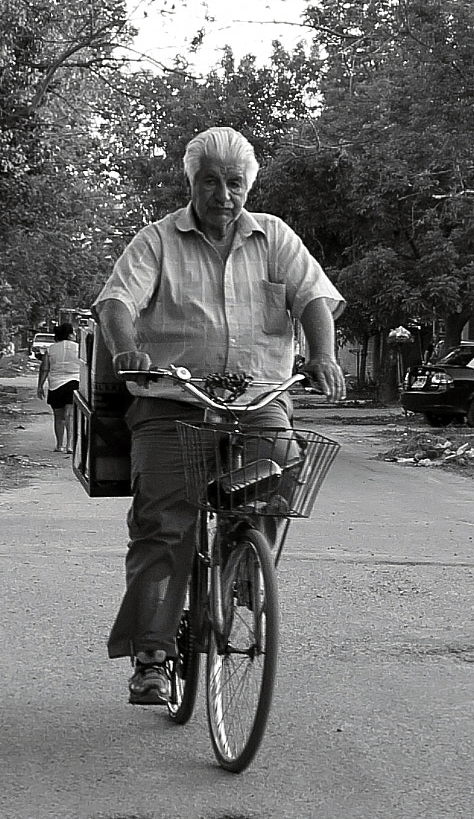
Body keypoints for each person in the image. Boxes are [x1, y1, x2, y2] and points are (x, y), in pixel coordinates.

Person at [94, 126, 347, 705]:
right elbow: (115, 302)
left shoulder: (275, 237)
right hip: (172, 403)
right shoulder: (156, 241)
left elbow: (312, 298)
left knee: (281, 464)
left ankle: (241, 566)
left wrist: (324, 353)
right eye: (211, 182)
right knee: (164, 523)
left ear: (248, 186)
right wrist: (127, 347)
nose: (223, 195)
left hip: (259, 401)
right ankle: (152, 656)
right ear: (192, 183)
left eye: (234, 183)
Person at [37, 321, 82, 454]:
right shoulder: (79, 348)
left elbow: (44, 368)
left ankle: (59, 445)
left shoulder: (51, 349)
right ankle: (70, 445)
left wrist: (40, 386)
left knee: (58, 416)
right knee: (70, 415)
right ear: (69, 335)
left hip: (56, 385)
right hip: (74, 382)